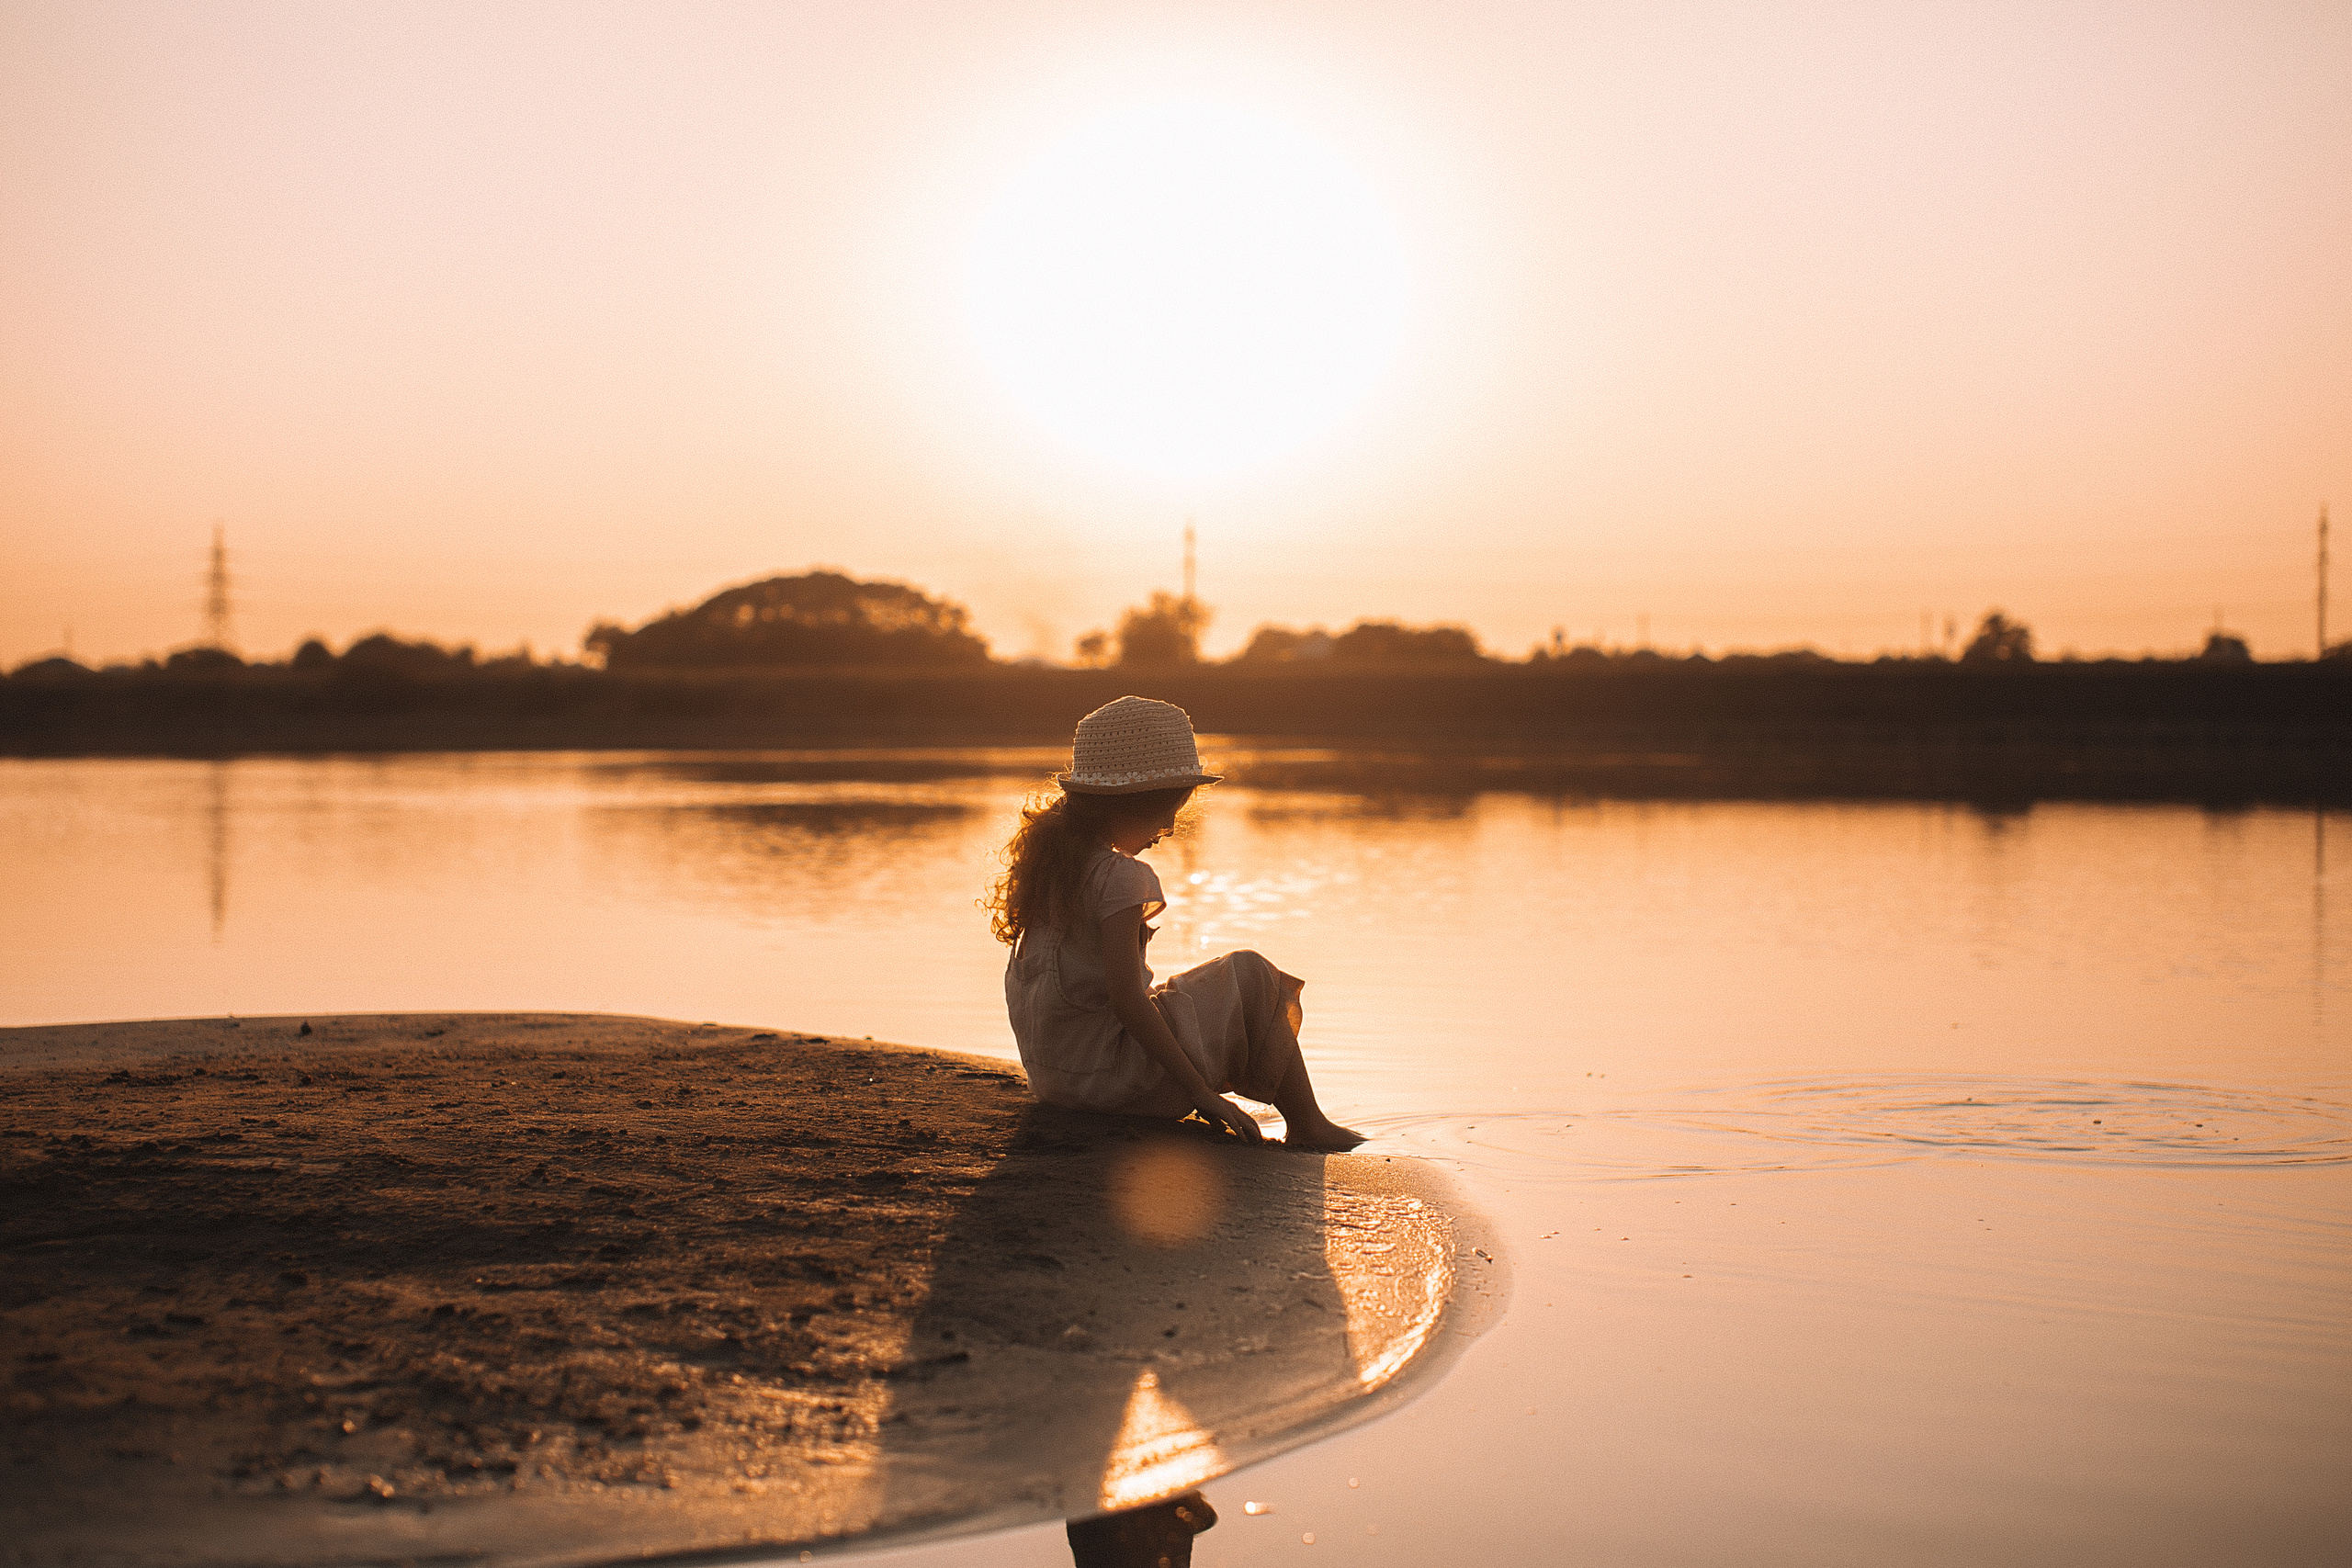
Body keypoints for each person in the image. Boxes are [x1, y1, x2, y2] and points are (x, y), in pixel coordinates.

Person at [988, 694, 1362, 1149]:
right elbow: (1128, 1002)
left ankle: (1305, 1120)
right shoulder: (1120, 877)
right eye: (1169, 810)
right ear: (1136, 802)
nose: (1167, 828)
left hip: (1057, 1079)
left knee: (1187, 990)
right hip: (1112, 1082)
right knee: (1252, 975)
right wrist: (1202, 1094)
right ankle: (1309, 1124)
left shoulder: (1052, 869)